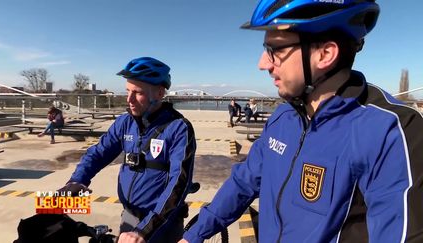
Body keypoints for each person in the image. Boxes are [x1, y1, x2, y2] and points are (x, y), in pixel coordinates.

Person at [181, 1, 423, 243]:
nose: (262, 63)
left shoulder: (390, 130)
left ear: (325, 54)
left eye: (274, 49)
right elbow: (243, 182)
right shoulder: (283, 117)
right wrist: (193, 235)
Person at [58, 57, 197, 243]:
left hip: (163, 222)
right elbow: (99, 153)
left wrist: (144, 230)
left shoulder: (179, 128)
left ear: (159, 93)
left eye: (137, 92)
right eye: (127, 91)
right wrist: (77, 180)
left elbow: (178, 183)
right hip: (129, 216)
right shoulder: (125, 122)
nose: (129, 99)